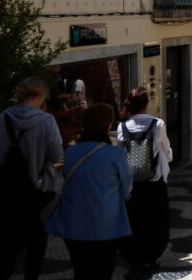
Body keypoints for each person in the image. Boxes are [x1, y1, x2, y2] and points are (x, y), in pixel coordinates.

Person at [46, 104, 132, 280]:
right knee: (103, 272)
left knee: (81, 271)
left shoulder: (71, 152)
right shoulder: (115, 154)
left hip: (74, 223)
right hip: (105, 225)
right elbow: (126, 188)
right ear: (108, 125)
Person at [0, 76, 63, 280]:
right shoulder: (47, 121)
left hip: (8, 187)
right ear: (39, 96)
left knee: (8, 242)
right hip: (39, 189)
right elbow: (56, 155)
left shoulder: (3, 118)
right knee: (36, 242)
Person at [116, 87, 174, 269]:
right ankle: (152, 256)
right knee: (156, 220)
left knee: (134, 219)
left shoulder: (122, 126)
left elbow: (120, 153)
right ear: (147, 104)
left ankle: (134, 255)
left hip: (131, 183)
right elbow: (166, 149)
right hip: (154, 181)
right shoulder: (157, 124)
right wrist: (168, 158)